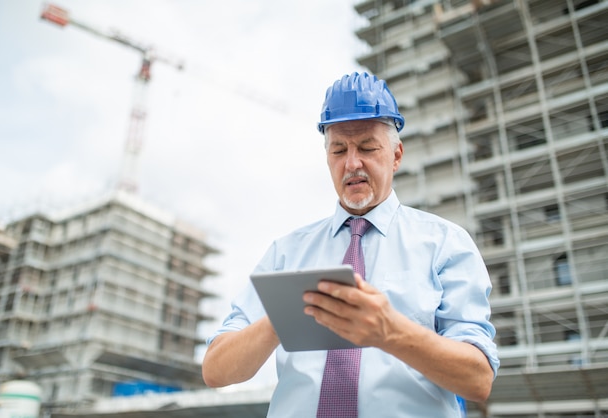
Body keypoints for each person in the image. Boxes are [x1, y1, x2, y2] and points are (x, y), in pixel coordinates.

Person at [202, 71, 499, 417]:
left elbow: (478, 380)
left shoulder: (445, 244)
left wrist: (390, 332)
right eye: (339, 150)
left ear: (397, 155)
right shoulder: (286, 252)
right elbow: (216, 370)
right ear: (328, 157)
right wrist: (287, 316)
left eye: (368, 148)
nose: (352, 163)